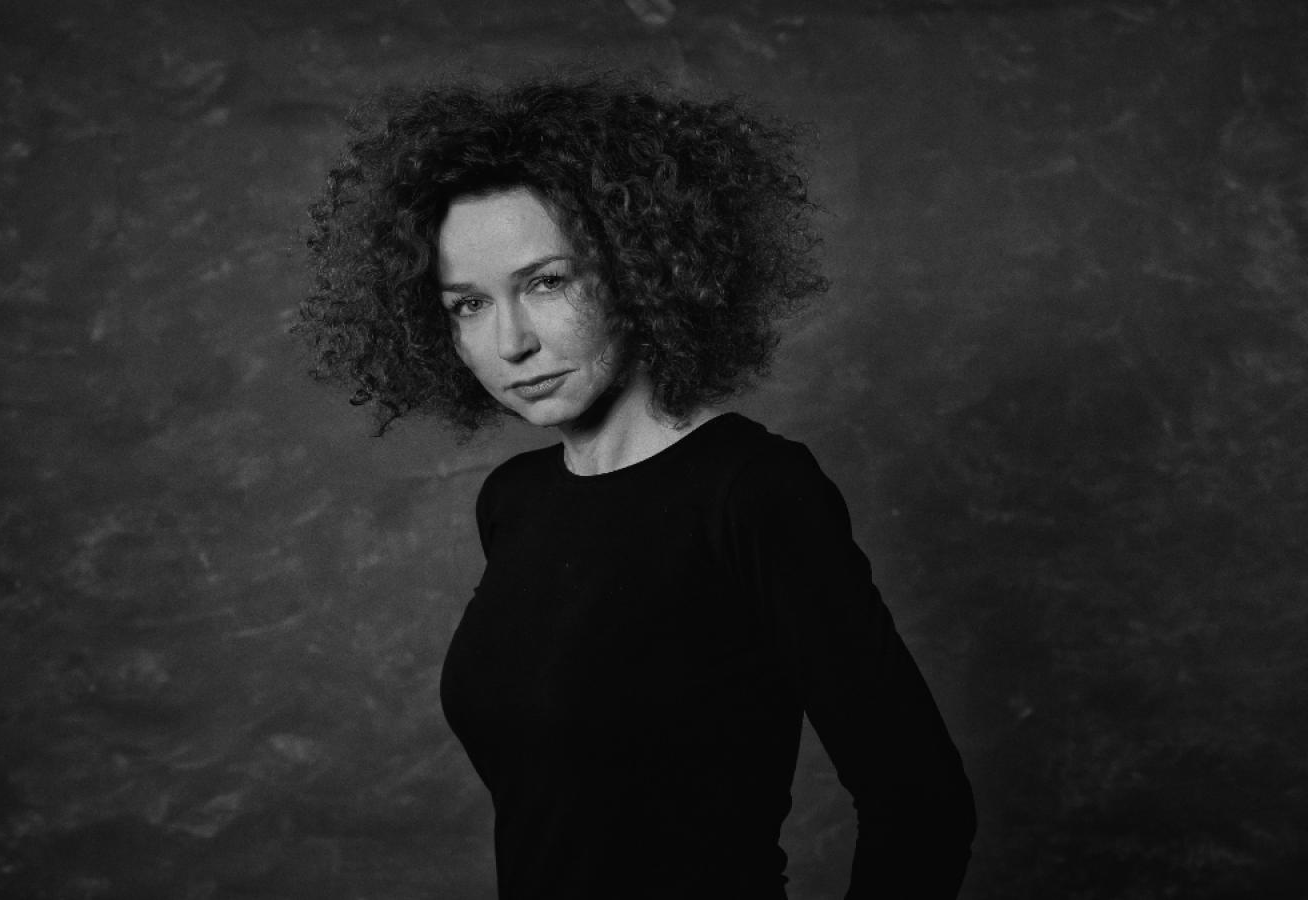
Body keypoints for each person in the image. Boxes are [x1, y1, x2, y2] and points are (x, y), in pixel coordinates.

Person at [296, 74, 975, 900]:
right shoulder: (514, 502)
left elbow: (922, 804)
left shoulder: (752, 492)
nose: (511, 342)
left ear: (638, 267)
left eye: (547, 282)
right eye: (467, 304)